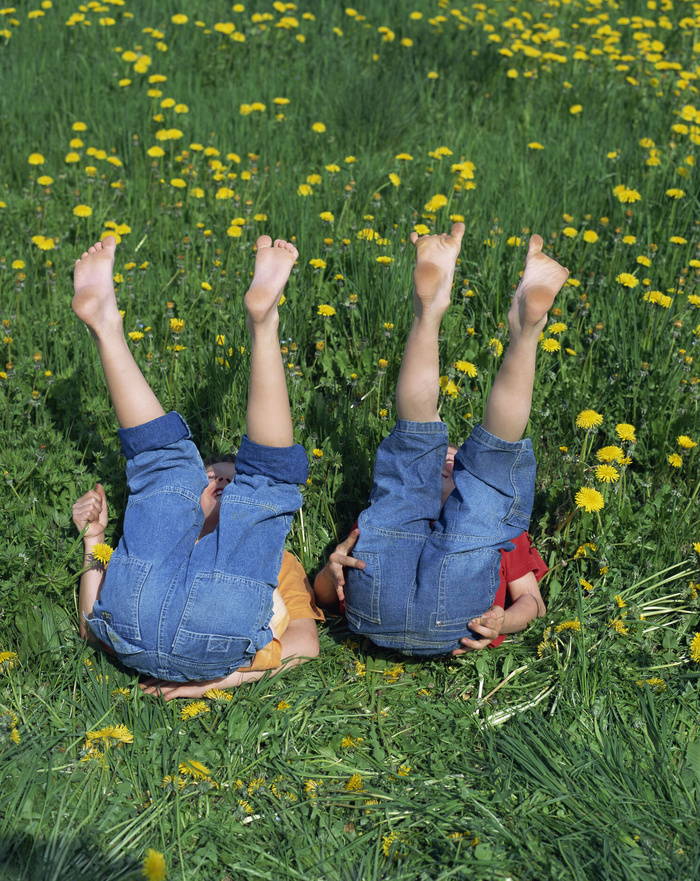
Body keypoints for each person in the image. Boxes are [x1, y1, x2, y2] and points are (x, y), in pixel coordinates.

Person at [71, 233, 321, 700]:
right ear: (199, 493)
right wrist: (94, 539)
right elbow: (92, 623)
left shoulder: (280, 563)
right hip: (156, 627)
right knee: (257, 484)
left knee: (167, 467)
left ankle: (107, 327)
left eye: (231, 479)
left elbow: (307, 644)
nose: (224, 482)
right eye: (213, 477)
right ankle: (260, 325)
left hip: (138, 625)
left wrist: (227, 678)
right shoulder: (177, 529)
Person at [315, 224, 567, 656]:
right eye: (450, 460)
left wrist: (506, 617)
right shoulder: (494, 526)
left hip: (375, 608)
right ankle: (525, 330)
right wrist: (332, 568)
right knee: (487, 467)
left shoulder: (393, 508)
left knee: (418, 440)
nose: (450, 462)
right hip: (457, 615)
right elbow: (534, 603)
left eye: (452, 461)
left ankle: (428, 311)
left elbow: (530, 603)